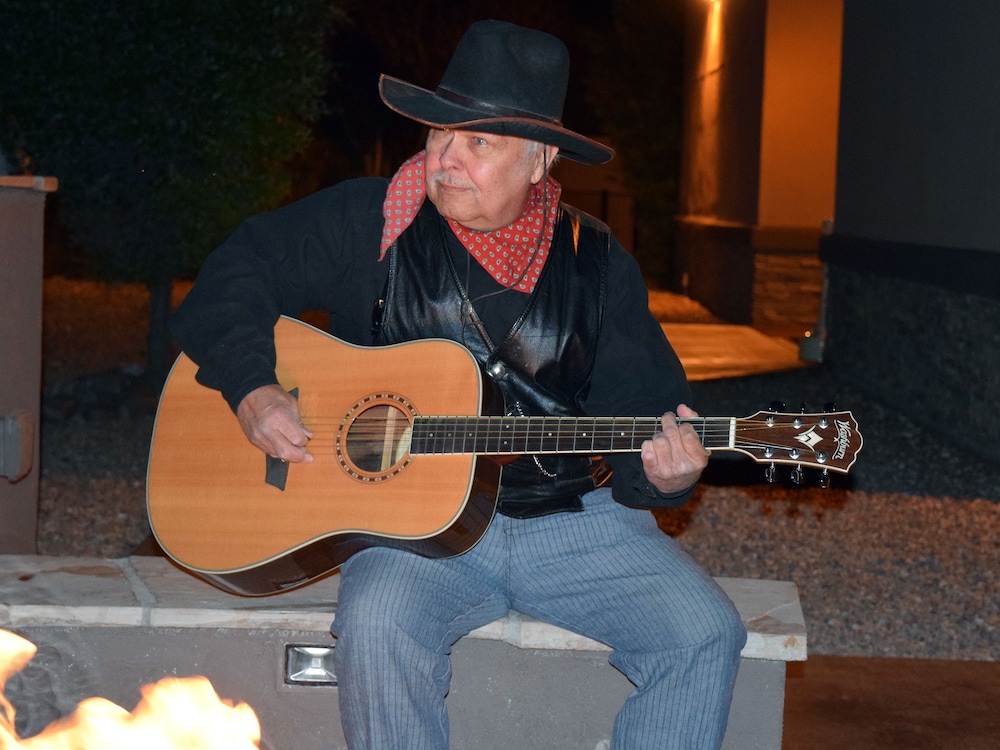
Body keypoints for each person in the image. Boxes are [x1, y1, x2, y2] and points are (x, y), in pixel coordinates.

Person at [171, 19, 746, 749]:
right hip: (410, 533)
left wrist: (668, 475)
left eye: (479, 142)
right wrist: (252, 385)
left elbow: (648, 412)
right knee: (375, 628)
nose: (444, 158)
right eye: (440, 132)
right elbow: (235, 271)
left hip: (569, 522)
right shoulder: (369, 221)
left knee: (704, 633)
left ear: (540, 160)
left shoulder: (598, 264)